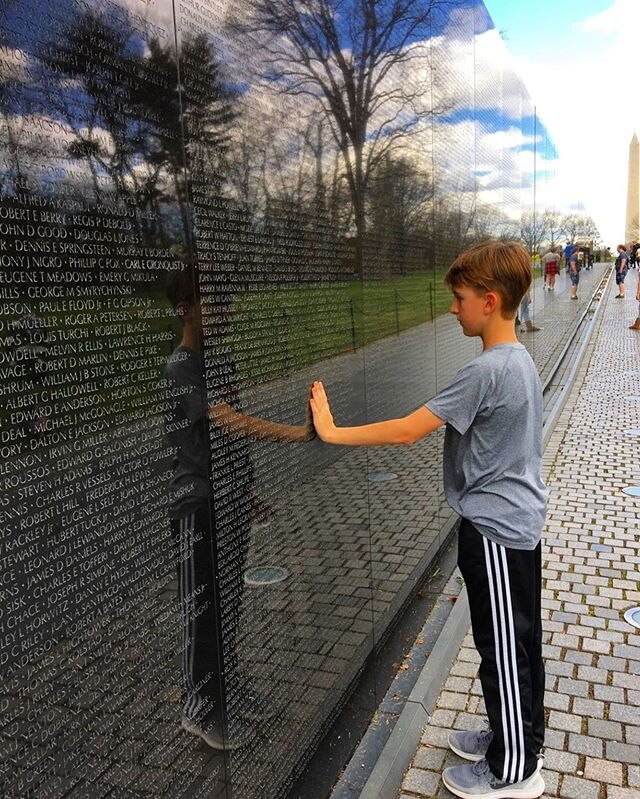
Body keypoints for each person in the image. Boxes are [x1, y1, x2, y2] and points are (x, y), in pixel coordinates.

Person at [310, 240, 547, 799]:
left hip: (494, 530)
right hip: (519, 526)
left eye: (460, 299)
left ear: (489, 301)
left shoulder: (486, 370)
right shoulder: (520, 360)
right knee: (519, 643)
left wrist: (333, 430)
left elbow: (408, 429)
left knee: (502, 647)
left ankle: (514, 768)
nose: (452, 308)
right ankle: (514, 736)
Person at [164, 266, 315, 751]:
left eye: (227, 304)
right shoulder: (181, 368)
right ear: (186, 309)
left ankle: (223, 688)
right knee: (201, 612)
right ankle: (197, 707)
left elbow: (228, 445)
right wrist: (299, 433)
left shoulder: (220, 362)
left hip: (228, 500)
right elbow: (229, 423)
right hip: (196, 506)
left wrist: (246, 491)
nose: (223, 313)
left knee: (227, 607)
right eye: (213, 304)